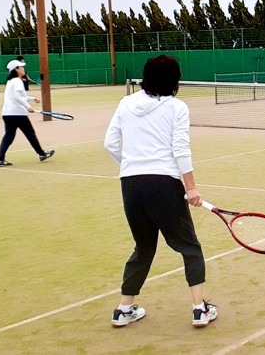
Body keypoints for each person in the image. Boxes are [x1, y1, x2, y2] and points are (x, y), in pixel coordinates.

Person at [104, 55, 217, 328]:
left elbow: (110, 143)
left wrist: (132, 167)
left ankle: (123, 309)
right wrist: (190, 187)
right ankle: (200, 309)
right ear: (174, 81)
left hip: (130, 184)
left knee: (143, 248)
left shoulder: (125, 102)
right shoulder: (177, 108)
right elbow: (180, 149)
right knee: (189, 247)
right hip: (164, 184)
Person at [0, 59, 55, 166]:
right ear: (16, 69)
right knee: (30, 134)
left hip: (7, 114)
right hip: (18, 114)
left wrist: (32, 99)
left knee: (9, 136)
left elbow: (19, 97)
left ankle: (0, 159)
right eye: (21, 67)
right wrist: (28, 107)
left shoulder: (10, 82)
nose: (23, 69)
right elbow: (17, 97)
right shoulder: (17, 81)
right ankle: (42, 154)